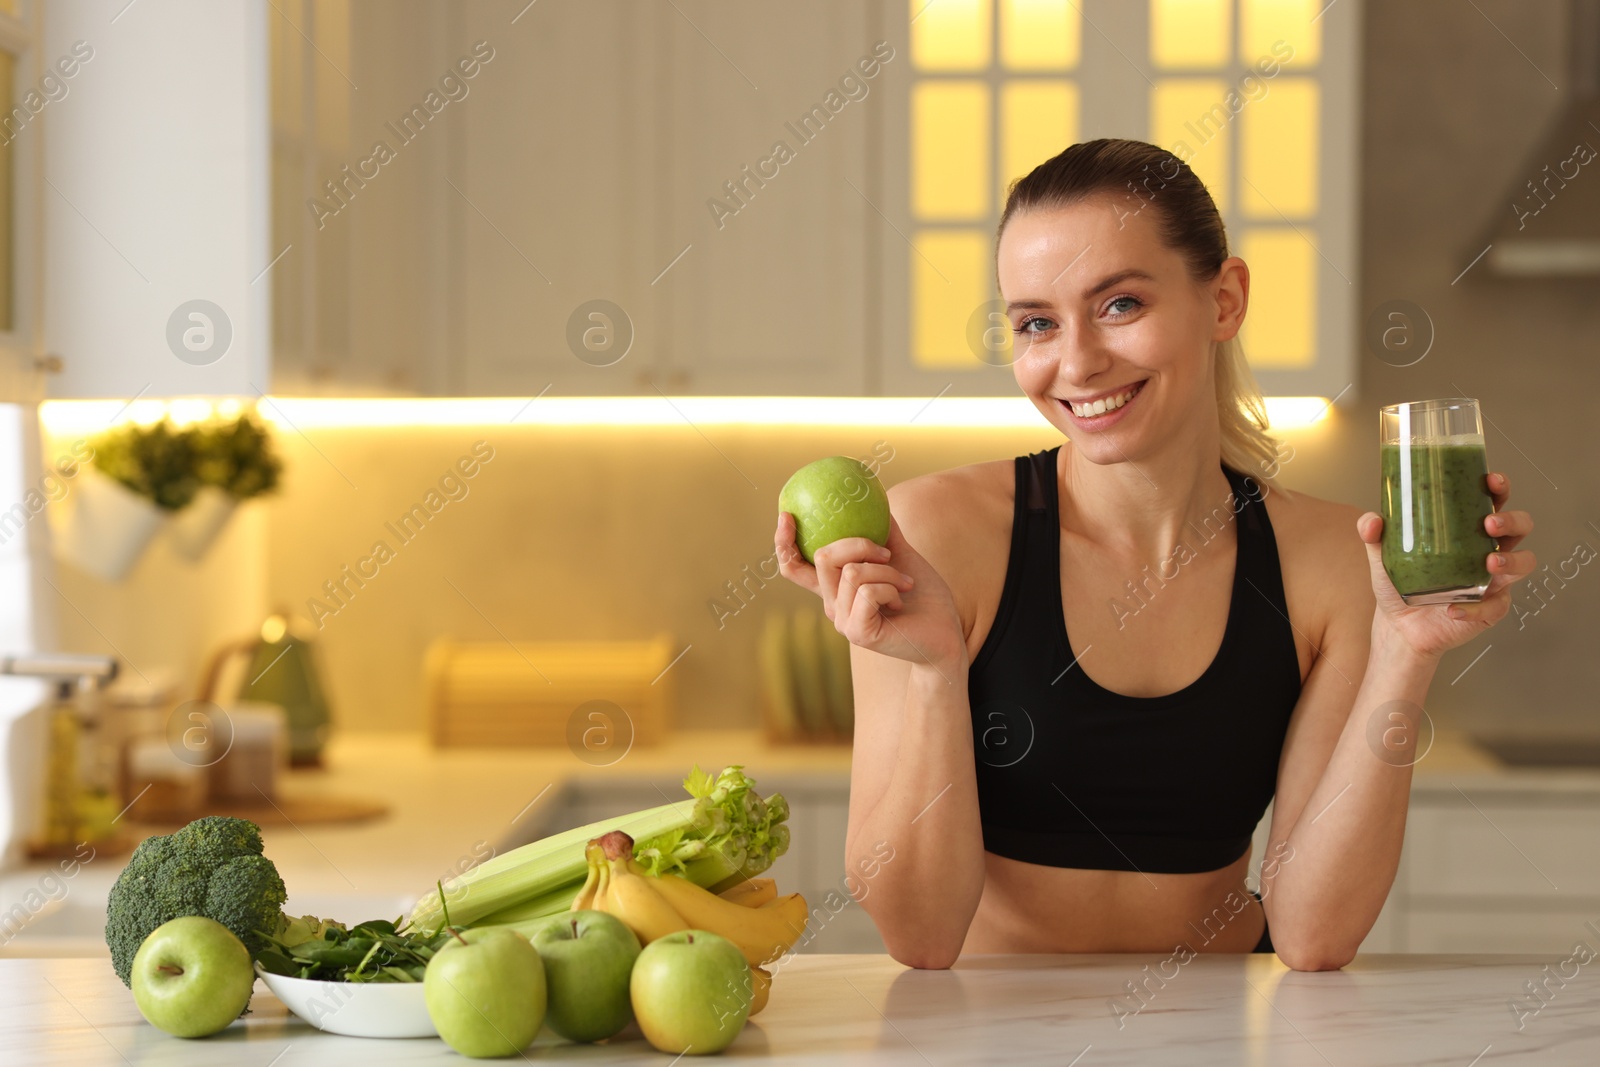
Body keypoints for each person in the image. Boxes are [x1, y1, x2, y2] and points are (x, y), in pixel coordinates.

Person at [773, 138, 1536, 972]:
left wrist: (1404, 653)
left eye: (1120, 305)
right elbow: (919, 935)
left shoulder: (1330, 560)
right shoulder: (935, 536)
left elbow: (1314, 935)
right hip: (991, 1027)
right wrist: (931, 671)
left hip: (1225, 1028)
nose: (1076, 361)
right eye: (1036, 323)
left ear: (1225, 300)